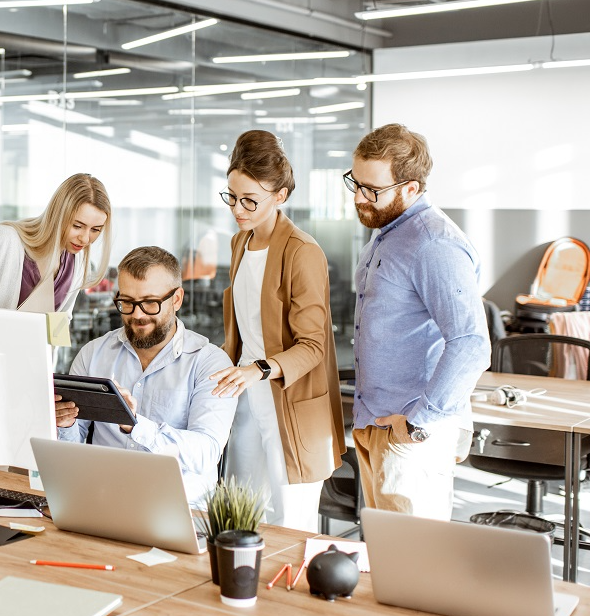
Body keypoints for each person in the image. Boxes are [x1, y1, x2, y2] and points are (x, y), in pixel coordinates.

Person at [346, 124, 490, 519]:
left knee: (416, 566)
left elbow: (471, 343)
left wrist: (419, 423)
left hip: (411, 432)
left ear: (411, 188)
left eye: (372, 190)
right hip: (377, 423)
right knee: (385, 561)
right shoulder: (387, 233)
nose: (359, 198)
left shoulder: (434, 244)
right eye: (355, 183)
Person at [208, 131, 345, 532]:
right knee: (239, 515)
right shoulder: (239, 243)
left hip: (289, 398)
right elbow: (244, 328)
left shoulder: (303, 252)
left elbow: (313, 345)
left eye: (251, 200)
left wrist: (259, 369)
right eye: (232, 197)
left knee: (290, 524)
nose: (238, 208)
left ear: (281, 196)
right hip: (248, 397)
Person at [54, 247, 237, 504]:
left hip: (180, 507)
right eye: (127, 302)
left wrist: (136, 425)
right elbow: (72, 449)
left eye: (150, 302)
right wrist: (65, 423)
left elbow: (206, 453)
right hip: (102, 500)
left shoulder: (209, 362)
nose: (137, 315)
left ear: (176, 299)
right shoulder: (93, 354)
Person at [0, 173, 112, 314]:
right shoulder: (2, 240)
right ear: (58, 215)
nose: (85, 238)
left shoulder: (78, 261)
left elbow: (60, 323)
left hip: (31, 355)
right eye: (77, 226)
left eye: (95, 230)